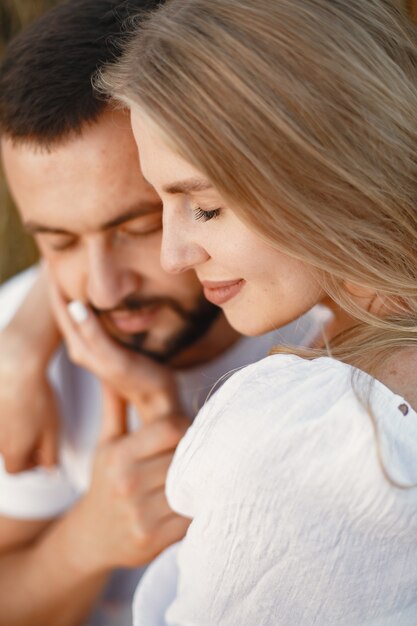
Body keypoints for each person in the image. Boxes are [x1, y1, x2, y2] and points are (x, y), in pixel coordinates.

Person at [0, 1, 322, 625]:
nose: (102, 289)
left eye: (139, 226)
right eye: (59, 242)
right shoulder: (21, 363)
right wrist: (83, 544)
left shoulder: (323, 317)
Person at [99, 0, 417, 623]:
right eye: (158, 205)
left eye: (206, 206)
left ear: (325, 171)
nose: (172, 256)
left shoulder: (306, 441)